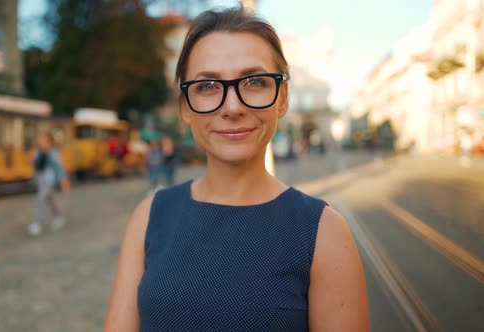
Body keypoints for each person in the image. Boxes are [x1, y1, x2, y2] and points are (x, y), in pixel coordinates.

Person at [104, 5, 369, 331]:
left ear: (282, 98)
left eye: (254, 82)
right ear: (185, 108)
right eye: (207, 87)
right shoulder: (149, 217)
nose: (233, 107)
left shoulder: (324, 232)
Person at [28, 133, 70, 236]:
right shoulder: (38, 152)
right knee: (49, 200)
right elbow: (34, 164)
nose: (42, 143)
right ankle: (58, 216)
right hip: (40, 179)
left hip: (49, 181)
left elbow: (59, 167)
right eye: (40, 141)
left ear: (50, 142)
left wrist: (63, 180)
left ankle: (37, 224)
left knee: (40, 199)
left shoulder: (53, 153)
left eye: (44, 141)